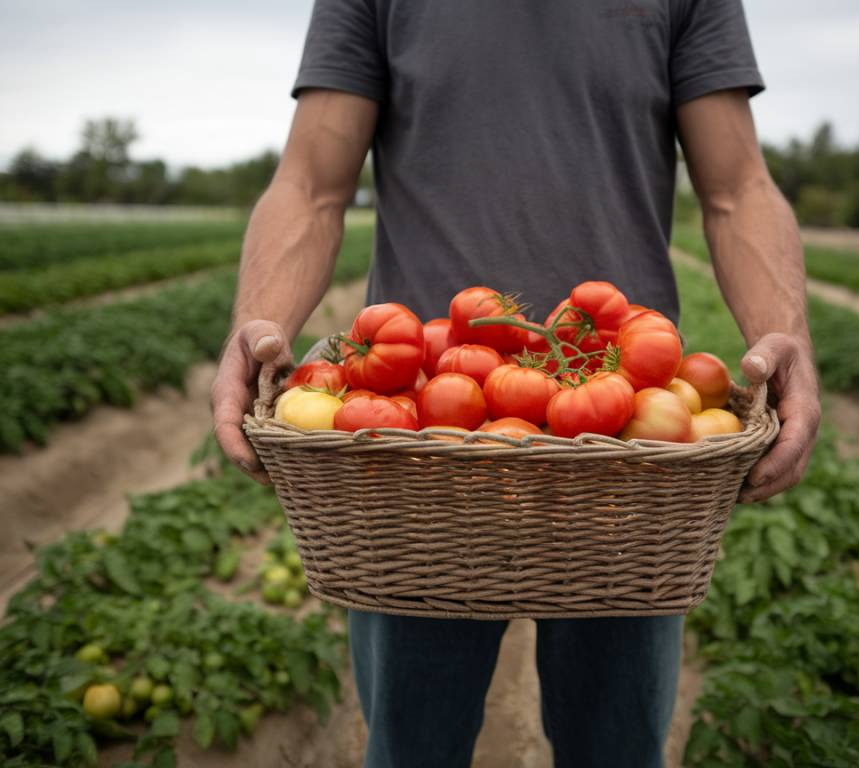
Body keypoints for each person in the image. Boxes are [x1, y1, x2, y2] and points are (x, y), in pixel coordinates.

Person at [211, 1, 821, 765]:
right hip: (420, 447)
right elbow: (309, 185)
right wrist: (258, 321)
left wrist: (788, 337)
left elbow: (738, 190)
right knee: (413, 748)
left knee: (616, 748)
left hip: (630, 446)